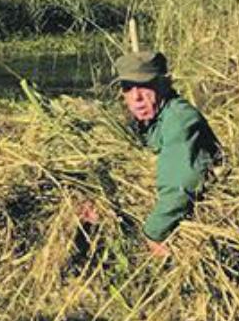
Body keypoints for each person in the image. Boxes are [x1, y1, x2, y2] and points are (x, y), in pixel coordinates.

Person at [84, 50, 221, 257]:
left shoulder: (179, 120)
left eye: (145, 86)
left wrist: (152, 233)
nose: (136, 97)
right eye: (128, 88)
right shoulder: (148, 118)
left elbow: (180, 184)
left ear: (164, 84)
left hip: (195, 210)